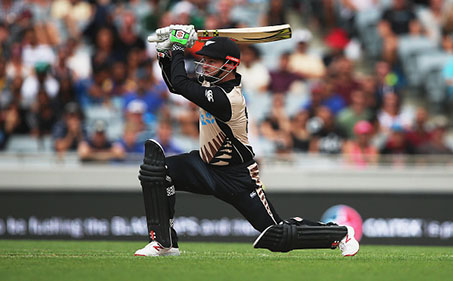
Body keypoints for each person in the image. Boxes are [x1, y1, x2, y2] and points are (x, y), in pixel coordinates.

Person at [134, 24, 359, 257]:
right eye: (204, 60)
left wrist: (179, 47)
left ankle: (340, 233)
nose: (204, 65)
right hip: (204, 165)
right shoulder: (211, 83)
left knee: (278, 234)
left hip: (237, 177)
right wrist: (164, 52)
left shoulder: (229, 98)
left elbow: (181, 84)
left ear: (230, 65)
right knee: (157, 172)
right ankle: (164, 243)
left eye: (211, 61)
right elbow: (174, 85)